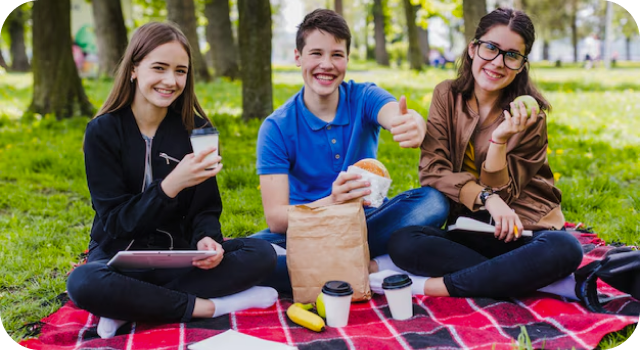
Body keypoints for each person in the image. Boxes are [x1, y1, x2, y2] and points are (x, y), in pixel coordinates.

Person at [65, 22, 278, 339]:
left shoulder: (198, 130)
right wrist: (170, 185)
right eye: (159, 68)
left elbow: (205, 209)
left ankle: (128, 306)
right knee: (83, 283)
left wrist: (208, 240)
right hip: (117, 260)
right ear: (134, 69)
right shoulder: (103, 131)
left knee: (262, 254)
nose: (170, 81)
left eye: (180, 71)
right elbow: (114, 223)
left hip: (177, 258)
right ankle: (211, 307)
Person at [370, 8, 584, 300]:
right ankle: (534, 281)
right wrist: (486, 198)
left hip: (524, 232)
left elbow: (505, 193)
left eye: (511, 55)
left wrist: (499, 140)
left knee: (566, 248)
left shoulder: (528, 117)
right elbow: (433, 170)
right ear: (473, 48)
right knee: (404, 241)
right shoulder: (446, 95)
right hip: (473, 228)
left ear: (521, 65)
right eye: (491, 48)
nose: (497, 63)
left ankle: (428, 286)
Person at [249, 9, 449, 294]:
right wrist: (332, 201)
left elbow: (395, 114)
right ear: (298, 57)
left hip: (367, 221)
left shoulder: (364, 96)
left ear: (347, 59)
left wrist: (412, 122)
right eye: (316, 53)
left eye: (337, 55)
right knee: (247, 253)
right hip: (310, 227)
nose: (326, 64)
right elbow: (277, 218)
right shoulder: (276, 127)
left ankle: (324, 269)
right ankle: (374, 264)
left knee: (433, 202)